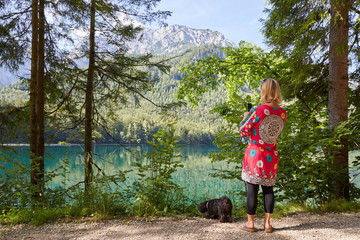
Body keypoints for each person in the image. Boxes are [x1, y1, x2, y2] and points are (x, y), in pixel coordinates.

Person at [239, 78, 287, 233]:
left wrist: (246, 116)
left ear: (264, 91)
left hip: (255, 155)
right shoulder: (282, 113)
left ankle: (250, 223)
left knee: (252, 189)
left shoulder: (258, 110)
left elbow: (244, 131)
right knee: (268, 190)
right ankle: (267, 224)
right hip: (271, 157)